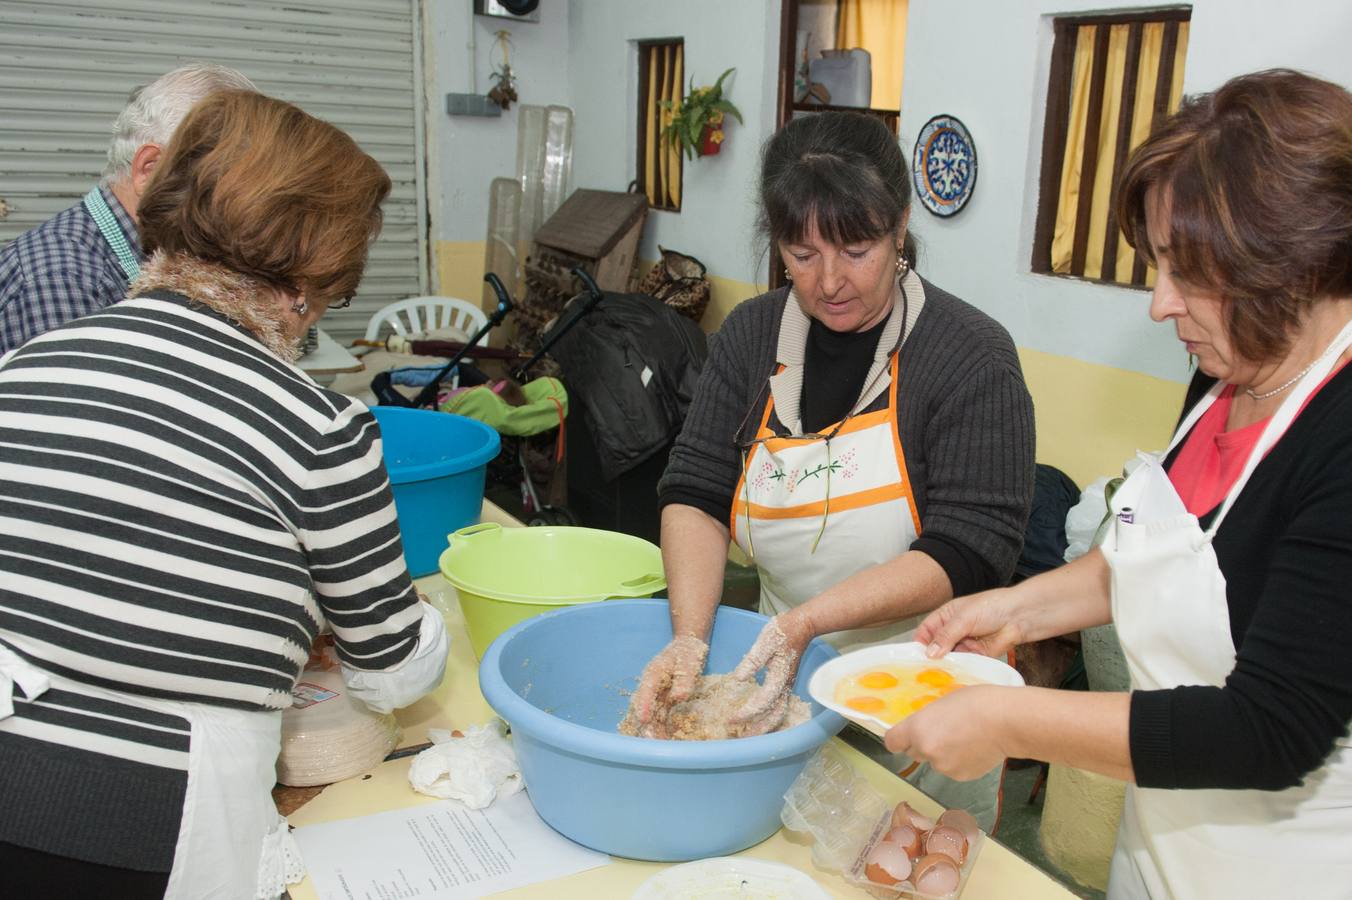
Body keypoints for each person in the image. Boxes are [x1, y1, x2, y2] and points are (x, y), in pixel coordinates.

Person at [889, 69, 1352, 899]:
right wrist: (1013, 609)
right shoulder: (1232, 365)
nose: (1160, 304)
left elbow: (1270, 728)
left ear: (1298, 264)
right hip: (1160, 847)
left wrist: (1006, 718)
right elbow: (1166, 560)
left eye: (1190, 271)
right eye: (1160, 263)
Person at [0, 90, 448, 899]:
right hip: (151, 824)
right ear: (312, 276)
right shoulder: (318, 427)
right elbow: (391, 674)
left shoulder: (32, 365)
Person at [633, 110, 1035, 830]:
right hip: (773, 692)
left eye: (856, 249)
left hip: (921, 699)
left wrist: (807, 624)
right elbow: (696, 492)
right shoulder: (753, 338)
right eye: (802, 252)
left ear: (901, 224)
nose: (829, 282)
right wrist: (691, 637)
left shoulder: (970, 356)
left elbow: (971, 548)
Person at [0, 62, 255, 352]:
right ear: (149, 169)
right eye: (232, 179)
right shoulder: (62, 280)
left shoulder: (150, 257)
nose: (249, 202)